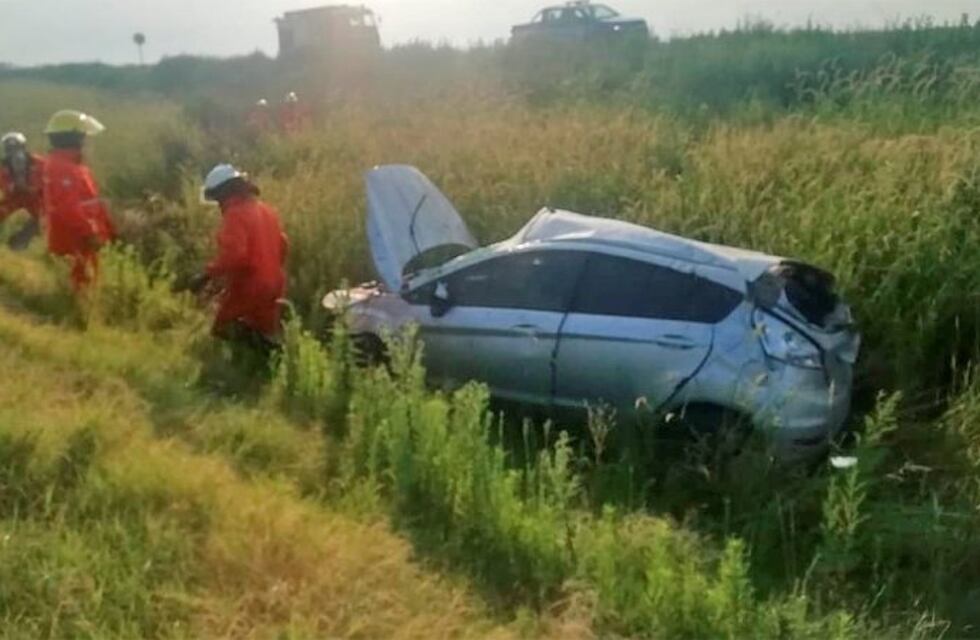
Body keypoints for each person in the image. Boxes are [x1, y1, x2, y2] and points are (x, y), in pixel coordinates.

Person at [192, 164, 288, 349]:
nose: (217, 203)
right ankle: (274, 362)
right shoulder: (266, 209)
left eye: (216, 197)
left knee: (221, 328)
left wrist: (206, 275)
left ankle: (263, 354)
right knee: (265, 332)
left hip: (251, 285)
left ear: (224, 192)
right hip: (276, 282)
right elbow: (283, 244)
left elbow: (234, 256)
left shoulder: (234, 214)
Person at [41, 110, 116, 291]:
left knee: (88, 284)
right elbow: (68, 208)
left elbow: (90, 202)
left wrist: (109, 229)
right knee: (81, 288)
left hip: (83, 241)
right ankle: (79, 317)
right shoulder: (63, 168)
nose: (86, 142)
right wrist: (90, 234)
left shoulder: (73, 166)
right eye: (83, 137)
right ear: (72, 138)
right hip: (76, 242)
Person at [0, 132, 45, 249]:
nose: (13, 152)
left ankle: (22, 242)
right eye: (9, 149)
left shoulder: (39, 162)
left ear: (23, 147)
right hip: (14, 201)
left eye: (16, 148)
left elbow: (48, 184)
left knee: (42, 219)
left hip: (36, 202)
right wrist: (15, 187)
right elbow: (5, 187)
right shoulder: (4, 167)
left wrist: (32, 189)